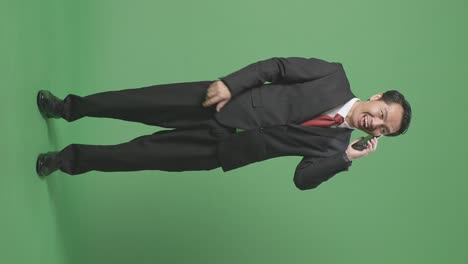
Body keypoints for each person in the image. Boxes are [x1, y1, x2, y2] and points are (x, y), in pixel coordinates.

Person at [36, 57, 412, 190]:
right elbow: (277, 67)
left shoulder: (334, 149)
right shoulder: (333, 76)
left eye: (383, 130)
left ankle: (65, 161)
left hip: (224, 150)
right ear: (378, 97)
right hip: (221, 103)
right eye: (382, 115)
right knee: (136, 101)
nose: (375, 124)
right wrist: (230, 83)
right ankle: (68, 107)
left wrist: (345, 158)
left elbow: (302, 180)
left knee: (138, 155)